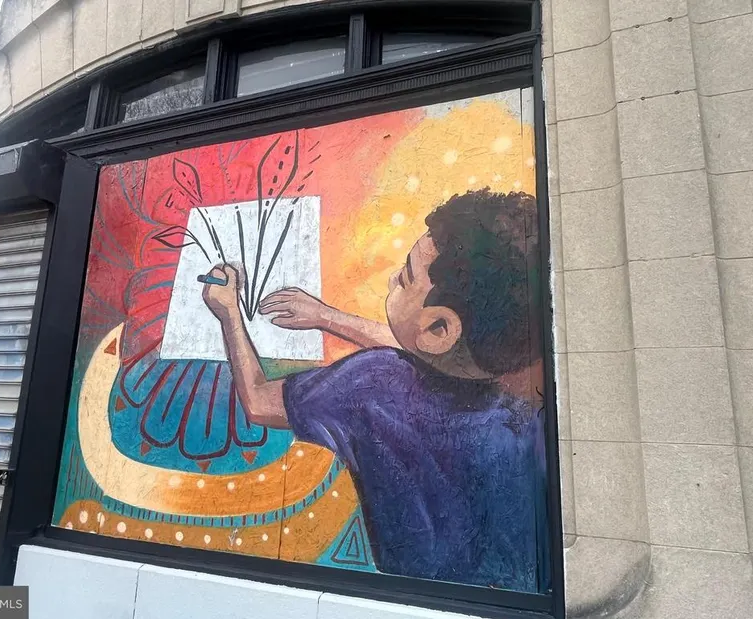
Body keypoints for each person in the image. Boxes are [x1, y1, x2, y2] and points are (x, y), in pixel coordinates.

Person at [201, 189, 550, 593]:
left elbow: (259, 400)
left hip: (403, 594)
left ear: (439, 328)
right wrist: (326, 317)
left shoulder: (372, 384)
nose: (392, 279)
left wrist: (228, 313)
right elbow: (429, 352)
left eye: (406, 277)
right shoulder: (524, 413)